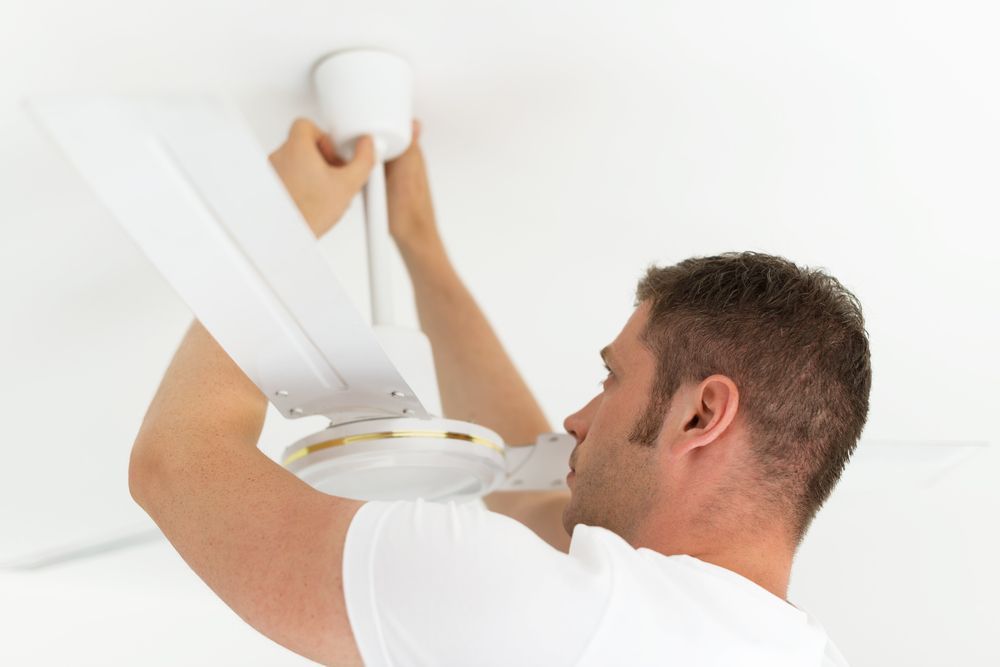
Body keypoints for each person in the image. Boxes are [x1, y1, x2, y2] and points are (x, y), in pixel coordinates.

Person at [129, 117, 871, 666]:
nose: (575, 420)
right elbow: (529, 482)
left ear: (701, 413)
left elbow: (176, 463)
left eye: (612, 377)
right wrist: (419, 246)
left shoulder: (552, 615)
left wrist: (273, 224)